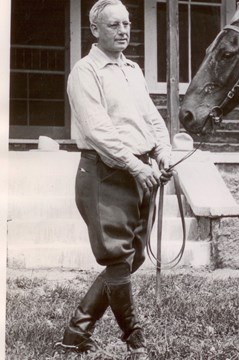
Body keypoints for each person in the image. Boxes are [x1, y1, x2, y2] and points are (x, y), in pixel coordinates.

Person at [54, 0, 173, 358]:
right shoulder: (85, 72)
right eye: (113, 26)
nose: (123, 31)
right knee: (118, 259)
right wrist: (137, 167)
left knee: (130, 258)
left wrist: (163, 153)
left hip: (140, 172)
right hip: (105, 173)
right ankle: (135, 340)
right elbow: (99, 131)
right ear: (95, 30)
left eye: (127, 24)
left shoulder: (132, 70)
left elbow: (151, 118)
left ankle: (76, 333)